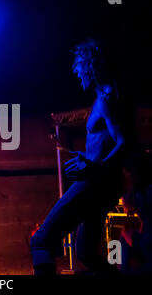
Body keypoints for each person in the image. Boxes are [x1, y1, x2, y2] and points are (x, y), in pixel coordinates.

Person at [30, 39, 132, 275]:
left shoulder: (106, 100)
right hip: (104, 182)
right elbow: (105, 145)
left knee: (41, 242)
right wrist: (77, 154)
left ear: (91, 67)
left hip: (95, 183)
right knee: (86, 252)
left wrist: (95, 168)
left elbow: (124, 142)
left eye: (79, 66)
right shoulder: (107, 97)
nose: (76, 72)